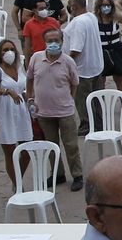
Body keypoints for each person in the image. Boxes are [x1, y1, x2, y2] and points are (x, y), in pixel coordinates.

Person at [27, 26, 85, 192]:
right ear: (45, 42)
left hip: (64, 111)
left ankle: (77, 175)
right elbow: (30, 79)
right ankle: (58, 174)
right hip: (43, 112)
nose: (53, 44)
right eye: (49, 41)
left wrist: (69, 100)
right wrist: (31, 98)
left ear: (62, 42)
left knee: (71, 145)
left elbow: (75, 84)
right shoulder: (36, 58)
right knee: (51, 145)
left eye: (56, 40)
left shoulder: (68, 61)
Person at [0, 39, 33, 185]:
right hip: (5, 112)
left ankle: (18, 180)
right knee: (10, 152)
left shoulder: (19, 67)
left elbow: (25, 86)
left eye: (11, 49)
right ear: (0, 53)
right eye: (5, 50)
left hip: (21, 111)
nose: (9, 52)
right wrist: (6, 92)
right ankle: (17, 185)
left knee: (26, 149)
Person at [63, 0, 105, 133]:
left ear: (73, 7)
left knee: (83, 99)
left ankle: (87, 125)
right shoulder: (91, 17)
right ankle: (99, 123)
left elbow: (76, 49)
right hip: (95, 65)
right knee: (96, 97)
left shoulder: (78, 23)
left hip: (83, 68)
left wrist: (66, 63)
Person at [94, 0, 122, 96]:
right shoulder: (94, 18)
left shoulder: (115, 16)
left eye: (108, 5)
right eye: (103, 5)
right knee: (101, 78)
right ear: (99, 7)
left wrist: (121, 32)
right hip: (102, 50)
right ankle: (102, 103)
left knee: (119, 76)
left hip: (116, 49)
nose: (106, 8)